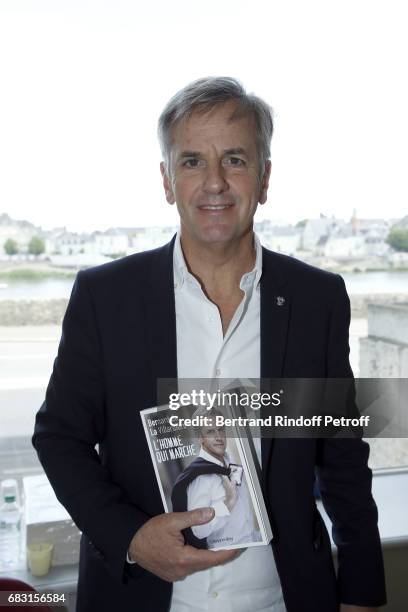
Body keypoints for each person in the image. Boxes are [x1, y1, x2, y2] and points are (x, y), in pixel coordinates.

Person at [33, 77, 386, 612]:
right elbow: (59, 438)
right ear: (168, 179)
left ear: (264, 177)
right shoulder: (105, 297)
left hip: (283, 599)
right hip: (142, 597)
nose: (215, 182)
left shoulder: (318, 299)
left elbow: (341, 456)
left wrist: (361, 592)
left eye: (236, 159)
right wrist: (131, 536)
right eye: (193, 160)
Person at [170, 407, 261, 550]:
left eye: (220, 429)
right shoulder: (200, 478)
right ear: (200, 437)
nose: (219, 436)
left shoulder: (233, 465)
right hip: (231, 560)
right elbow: (198, 531)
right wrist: (228, 503)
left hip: (254, 543)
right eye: (211, 431)